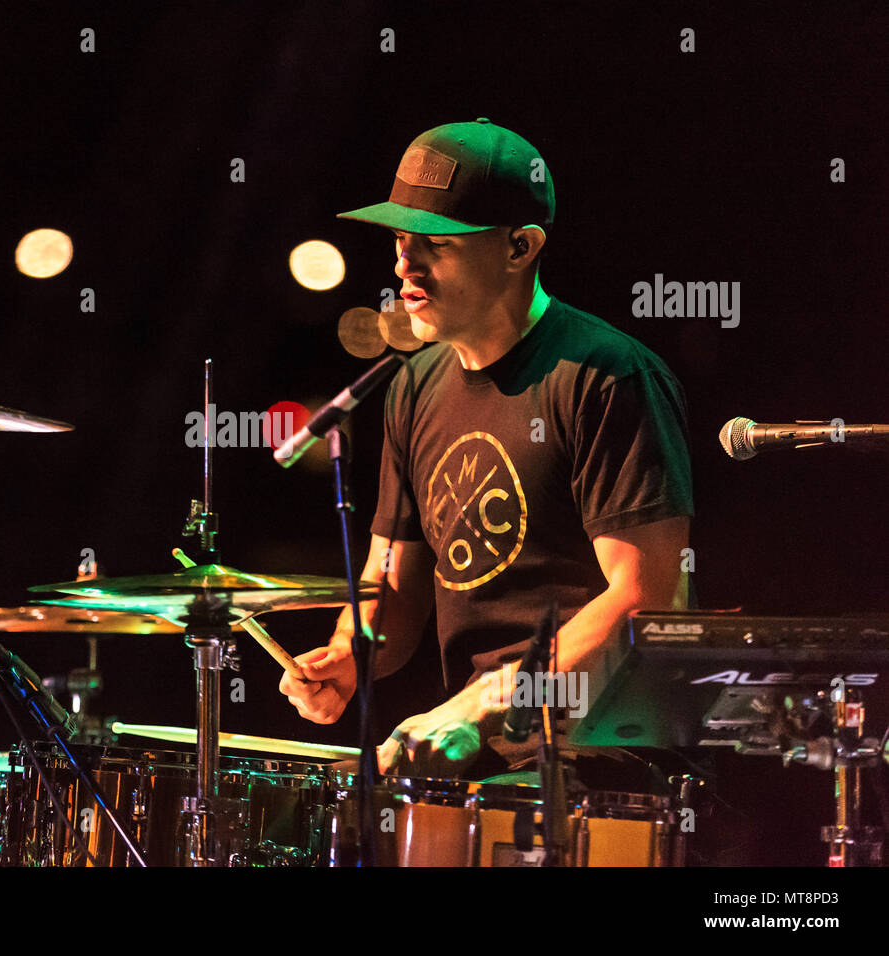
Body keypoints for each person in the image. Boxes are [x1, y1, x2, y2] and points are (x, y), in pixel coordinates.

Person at [279, 119, 694, 778]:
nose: (404, 266)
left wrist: (482, 702)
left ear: (520, 247)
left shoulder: (608, 376)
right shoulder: (412, 385)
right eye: (398, 238)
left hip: (599, 765)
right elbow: (393, 587)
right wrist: (348, 652)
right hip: (472, 760)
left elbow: (646, 596)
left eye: (436, 244)